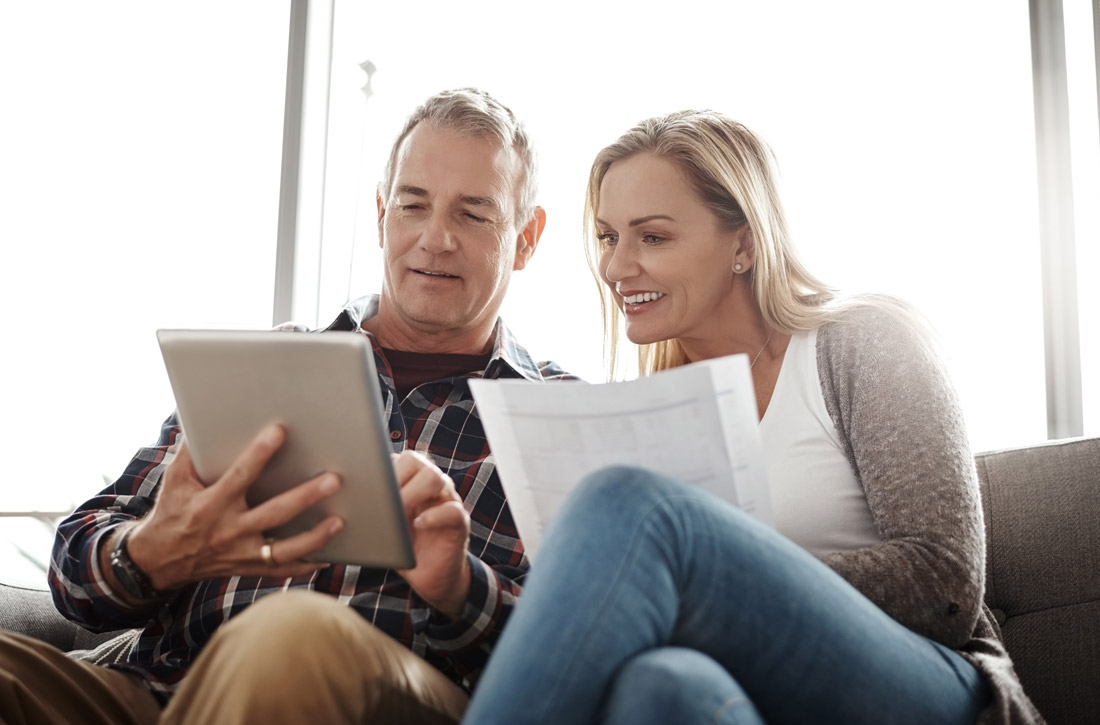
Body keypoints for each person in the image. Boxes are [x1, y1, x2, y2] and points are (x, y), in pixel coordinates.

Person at [0, 87, 575, 725]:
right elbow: (75, 569)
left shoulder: (559, 418)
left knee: (294, 635)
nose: (434, 239)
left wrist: (459, 588)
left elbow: (578, 661)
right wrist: (156, 550)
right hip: (159, 691)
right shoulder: (269, 364)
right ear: (383, 212)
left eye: (473, 214)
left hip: (377, 693)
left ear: (526, 238)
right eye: (413, 204)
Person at [462, 111, 1043, 724]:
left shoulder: (862, 342)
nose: (616, 266)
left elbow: (944, 587)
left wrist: (717, 566)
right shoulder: (654, 407)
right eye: (608, 237)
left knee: (628, 505)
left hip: (928, 688)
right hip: (749, 699)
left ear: (742, 244)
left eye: (652, 237)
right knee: (660, 685)